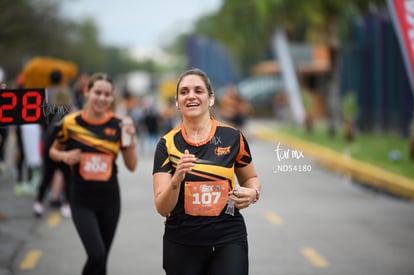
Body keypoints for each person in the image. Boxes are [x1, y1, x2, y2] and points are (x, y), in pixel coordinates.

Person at [152, 68, 261, 275]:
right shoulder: (166, 144)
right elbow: (161, 206)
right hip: (182, 241)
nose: (191, 96)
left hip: (229, 237)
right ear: (177, 102)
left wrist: (253, 193)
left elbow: (251, 179)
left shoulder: (232, 137)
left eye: (198, 91)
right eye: (184, 92)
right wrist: (176, 180)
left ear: (210, 99)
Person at [49, 73, 138, 275]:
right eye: (97, 92)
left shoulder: (120, 124)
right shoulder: (70, 123)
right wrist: (64, 157)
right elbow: (52, 152)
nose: (102, 98)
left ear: (112, 97)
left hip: (109, 200)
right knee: (96, 254)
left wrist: (130, 139)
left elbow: (131, 166)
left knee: (102, 260)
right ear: (87, 92)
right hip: (81, 199)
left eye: (107, 94)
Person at [33, 69, 75, 218]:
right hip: (65, 143)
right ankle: (67, 204)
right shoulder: (67, 97)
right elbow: (73, 118)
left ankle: (38, 204)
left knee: (47, 175)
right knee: (67, 175)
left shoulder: (44, 95)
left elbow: (40, 122)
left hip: (49, 142)